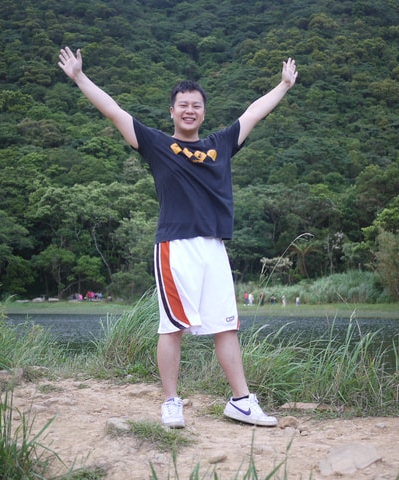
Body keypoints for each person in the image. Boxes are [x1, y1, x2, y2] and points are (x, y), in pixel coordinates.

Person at [58, 46, 297, 429]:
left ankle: (241, 401)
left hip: (214, 246)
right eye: (183, 105)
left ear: (204, 111)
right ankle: (171, 402)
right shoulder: (157, 145)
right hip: (175, 246)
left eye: (196, 106)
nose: (189, 110)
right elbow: (114, 111)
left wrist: (283, 85)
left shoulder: (220, 144)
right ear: (172, 111)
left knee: (226, 326)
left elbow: (253, 112)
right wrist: (79, 77)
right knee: (172, 327)